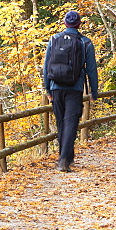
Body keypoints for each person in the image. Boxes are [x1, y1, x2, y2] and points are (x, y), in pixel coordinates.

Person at [43, 10, 99, 172]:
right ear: (79, 23)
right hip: (74, 89)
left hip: (56, 88)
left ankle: (66, 157)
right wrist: (93, 92)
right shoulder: (85, 42)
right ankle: (64, 160)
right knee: (70, 124)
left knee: (62, 123)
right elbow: (92, 70)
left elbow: (46, 67)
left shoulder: (54, 40)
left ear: (65, 23)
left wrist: (48, 88)